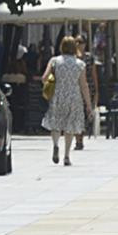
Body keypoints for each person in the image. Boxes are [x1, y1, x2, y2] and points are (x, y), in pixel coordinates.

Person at [41, 36, 90, 168]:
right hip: (74, 98)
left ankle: (56, 145)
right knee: (70, 127)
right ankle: (67, 156)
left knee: (56, 124)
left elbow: (44, 78)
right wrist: (89, 104)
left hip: (58, 96)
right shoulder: (80, 64)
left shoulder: (54, 61)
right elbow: (83, 85)